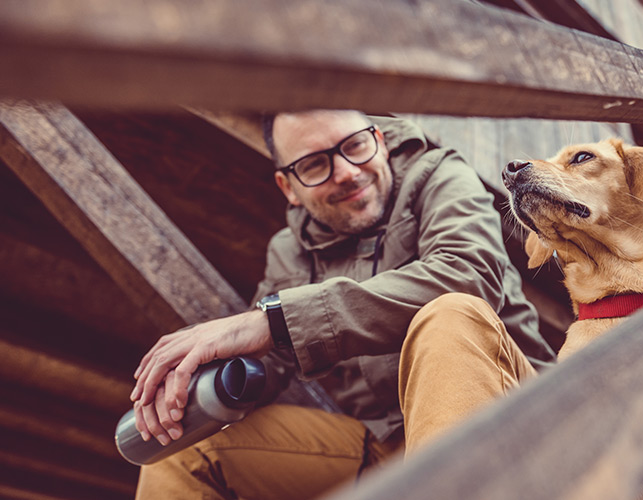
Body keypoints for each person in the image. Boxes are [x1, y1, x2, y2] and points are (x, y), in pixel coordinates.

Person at [130, 109, 556, 499]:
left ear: (380, 139)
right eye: (315, 164)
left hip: (509, 413)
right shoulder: (288, 250)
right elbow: (273, 354)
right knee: (180, 456)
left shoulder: (440, 176)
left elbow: (468, 275)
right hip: (383, 447)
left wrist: (273, 322)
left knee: (450, 313)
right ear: (288, 188)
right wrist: (197, 378)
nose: (348, 172)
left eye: (354, 145)